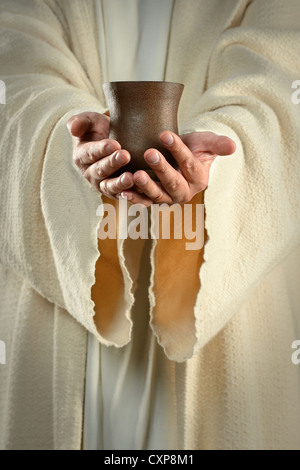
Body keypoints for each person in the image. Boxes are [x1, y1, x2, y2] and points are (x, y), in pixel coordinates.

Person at [0, 0, 299, 450]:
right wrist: (72, 144)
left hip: (230, 320)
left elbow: (281, 84)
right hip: (58, 309)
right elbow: (14, 78)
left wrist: (215, 165)